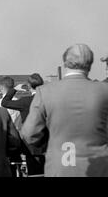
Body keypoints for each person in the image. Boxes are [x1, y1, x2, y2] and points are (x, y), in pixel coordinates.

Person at [22, 44, 108, 177]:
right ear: (90, 65)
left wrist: (52, 140)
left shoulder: (45, 92)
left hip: (60, 166)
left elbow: (29, 134)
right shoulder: (104, 91)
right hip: (99, 168)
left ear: (65, 64)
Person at [1, 73, 45, 176]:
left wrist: (14, 89)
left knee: (33, 172)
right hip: (46, 143)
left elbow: (5, 103)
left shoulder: (25, 101)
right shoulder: (47, 100)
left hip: (30, 144)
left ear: (29, 86)